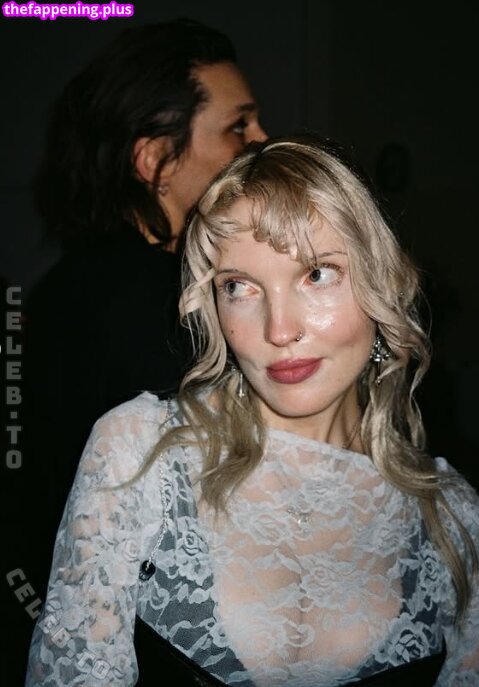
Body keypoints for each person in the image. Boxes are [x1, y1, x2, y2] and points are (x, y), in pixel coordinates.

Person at [26, 136, 479, 686]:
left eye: (317, 274)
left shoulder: (452, 521)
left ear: (382, 282)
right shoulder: (138, 453)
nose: (279, 330)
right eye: (239, 287)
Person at [16, 17, 266, 593]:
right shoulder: (161, 301)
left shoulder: (69, 283)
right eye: (238, 125)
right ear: (156, 160)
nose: (260, 138)